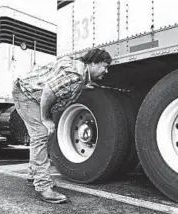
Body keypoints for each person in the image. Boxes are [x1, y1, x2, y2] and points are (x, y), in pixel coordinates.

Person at [12, 48, 112, 203]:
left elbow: (62, 82)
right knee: (41, 135)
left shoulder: (78, 72)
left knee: (44, 136)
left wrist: (82, 86)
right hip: (26, 94)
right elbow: (48, 91)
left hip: (32, 93)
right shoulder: (74, 74)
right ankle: (43, 186)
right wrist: (45, 118)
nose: (106, 71)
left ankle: (34, 175)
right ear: (93, 63)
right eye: (104, 66)